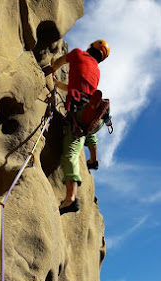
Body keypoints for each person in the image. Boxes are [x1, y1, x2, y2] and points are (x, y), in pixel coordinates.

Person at [51, 40, 111, 215]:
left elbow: (58, 63)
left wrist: (50, 71)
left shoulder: (78, 54)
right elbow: (74, 87)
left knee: (70, 154)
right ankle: (93, 159)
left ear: (90, 47)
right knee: (88, 130)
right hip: (96, 116)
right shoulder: (97, 71)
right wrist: (58, 84)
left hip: (80, 113)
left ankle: (70, 199)